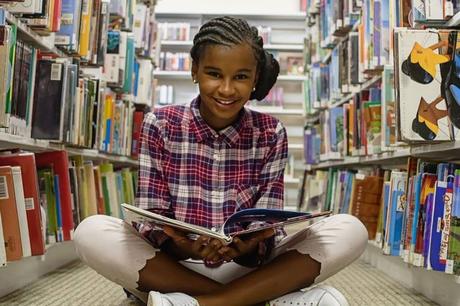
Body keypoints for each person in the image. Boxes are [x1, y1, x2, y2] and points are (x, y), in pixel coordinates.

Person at [74, 16, 368, 306]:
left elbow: (268, 224)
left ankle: (200, 303)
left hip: (250, 268)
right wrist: (183, 243)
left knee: (349, 229)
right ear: (194, 71)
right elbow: (151, 217)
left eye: (240, 77)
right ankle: (256, 300)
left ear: (254, 79)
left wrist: (251, 242)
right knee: (92, 231)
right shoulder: (160, 124)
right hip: (172, 267)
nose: (226, 89)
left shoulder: (270, 132)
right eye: (214, 74)